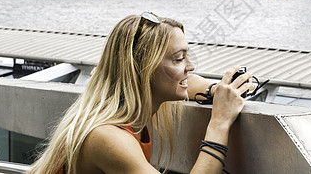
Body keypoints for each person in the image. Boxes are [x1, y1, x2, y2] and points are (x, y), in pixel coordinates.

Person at [28, 12, 254, 174]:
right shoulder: (109, 137)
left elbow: (188, 81)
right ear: (143, 70)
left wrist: (216, 90)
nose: (190, 66)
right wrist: (220, 123)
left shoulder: (117, 110)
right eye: (179, 58)